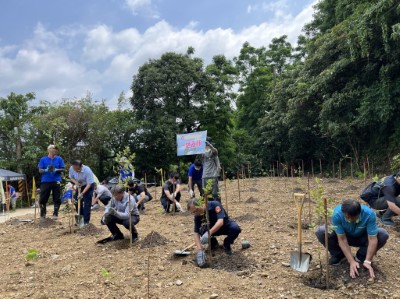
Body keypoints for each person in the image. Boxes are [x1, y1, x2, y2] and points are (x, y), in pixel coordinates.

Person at [315, 199, 388, 279]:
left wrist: (368, 261)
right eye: (347, 217)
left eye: (353, 217)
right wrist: (351, 261)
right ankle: (339, 255)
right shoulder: (336, 214)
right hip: (344, 236)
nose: (350, 220)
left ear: (359, 213)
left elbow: (372, 239)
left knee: (382, 234)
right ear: (343, 213)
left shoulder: (369, 214)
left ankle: (361, 256)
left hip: (362, 237)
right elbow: (342, 239)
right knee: (321, 231)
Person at [187, 197, 241, 267]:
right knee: (202, 230)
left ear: (201, 204)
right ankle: (213, 243)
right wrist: (199, 249)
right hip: (211, 229)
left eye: (195, 211)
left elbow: (220, 222)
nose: (195, 214)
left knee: (235, 229)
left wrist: (208, 233)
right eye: (193, 212)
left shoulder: (215, 205)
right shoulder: (197, 216)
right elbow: (196, 232)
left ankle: (226, 244)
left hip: (224, 226)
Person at [37, 145, 65, 221]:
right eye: (52, 149)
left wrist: (56, 170)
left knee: (57, 198)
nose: (54, 151)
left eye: (55, 149)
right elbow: (40, 170)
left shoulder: (59, 159)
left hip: (56, 180)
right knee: (43, 198)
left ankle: (55, 214)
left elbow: (63, 169)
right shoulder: (43, 159)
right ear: (48, 150)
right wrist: (45, 170)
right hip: (45, 181)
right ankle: (43, 214)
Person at [68, 160, 95, 225]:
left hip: (88, 186)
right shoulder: (72, 168)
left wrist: (82, 193)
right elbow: (71, 177)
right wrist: (76, 182)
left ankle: (86, 222)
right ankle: (81, 219)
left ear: (81, 166)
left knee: (87, 204)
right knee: (77, 201)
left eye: (77, 169)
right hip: (80, 185)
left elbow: (89, 184)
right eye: (74, 169)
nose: (75, 171)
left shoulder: (87, 170)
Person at [202, 137, 221, 202]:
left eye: (207, 144)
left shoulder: (213, 152)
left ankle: (218, 208)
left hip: (213, 175)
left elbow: (215, 151)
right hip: (205, 176)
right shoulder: (202, 152)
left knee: (215, 193)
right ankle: (209, 209)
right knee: (206, 194)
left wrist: (210, 145)